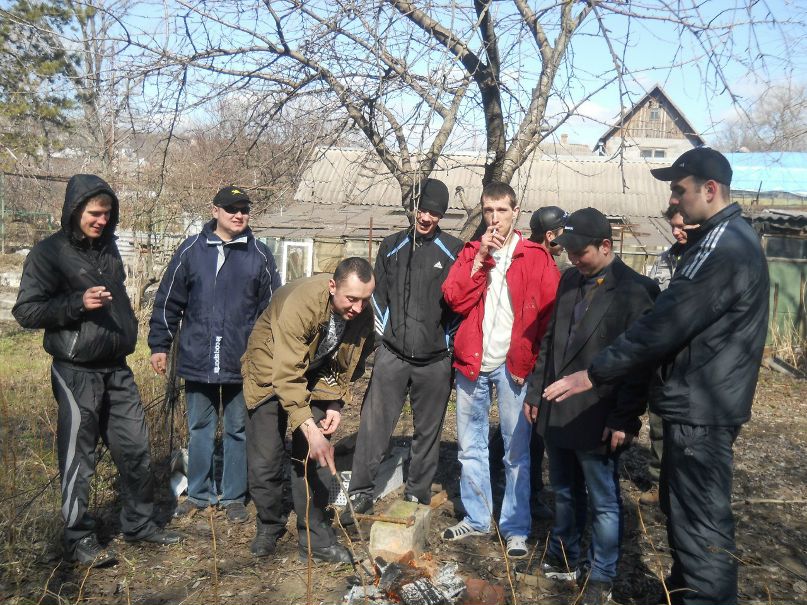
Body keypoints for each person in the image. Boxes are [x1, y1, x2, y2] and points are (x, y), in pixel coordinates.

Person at [543, 147, 769, 605]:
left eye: (679, 191)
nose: (673, 203)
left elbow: (663, 324)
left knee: (701, 528)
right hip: (694, 408)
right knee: (685, 521)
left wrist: (595, 373)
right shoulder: (718, 241)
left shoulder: (725, 249)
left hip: (701, 413)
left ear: (710, 190)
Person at [12, 174, 182, 568]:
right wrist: (76, 303)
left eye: (107, 214)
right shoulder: (48, 254)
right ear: (74, 211)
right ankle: (78, 539)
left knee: (136, 449)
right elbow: (26, 311)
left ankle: (139, 525)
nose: (101, 220)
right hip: (76, 371)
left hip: (116, 368)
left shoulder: (108, 249)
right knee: (78, 457)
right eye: (94, 213)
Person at [523, 208, 659, 605]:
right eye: (568, 251)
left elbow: (639, 365)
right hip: (558, 409)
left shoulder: (636, 291)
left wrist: (624, 418)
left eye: (581, 252)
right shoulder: (568, 280)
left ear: (605, 245)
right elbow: (550, 342)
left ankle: (602, 574)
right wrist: (535, 393)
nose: (573, 259)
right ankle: (565, 555)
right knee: (563, 490)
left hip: (600, 413)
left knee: (603, 499)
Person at [148, 186, 281, 524]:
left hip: (243, 362)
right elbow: (168, 301)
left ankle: (234, 496)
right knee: (201, 427)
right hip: (198, 358)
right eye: (231, 208)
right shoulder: (191, 251)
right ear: (215, 211)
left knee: (238, 429)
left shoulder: (260, 255)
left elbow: (273, 311)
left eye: (244, 209)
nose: (239, 215)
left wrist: (269, 356)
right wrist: (160, 345)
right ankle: (198, 494)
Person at [441, 182, 559, 558]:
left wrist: (534, 364)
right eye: (488, 211)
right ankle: (476, 518)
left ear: (516, 211)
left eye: (501, 211)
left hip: (515, 367)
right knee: (470, 446)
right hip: (473, 363)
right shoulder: (473, 251)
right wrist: (479, 262)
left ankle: (515, 528)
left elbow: (548, 318)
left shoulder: (536, 257)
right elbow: (455, 299)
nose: (494, 219)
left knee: (516, 450)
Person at [340, 179, 462, 524]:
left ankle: (416, 493)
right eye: (422, 209)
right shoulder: (392, 246)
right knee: (374, 425)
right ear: (414, 208)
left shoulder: (454, 250)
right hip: (393, 354)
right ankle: (361, 491)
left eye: (434, 212)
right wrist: (383, 339)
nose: (426, 217)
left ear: (442, 214)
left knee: (428, 431)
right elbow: (376, 297)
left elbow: (462, 303)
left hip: (435, 360)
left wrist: (448, 346)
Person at [241, 258, 375, 563]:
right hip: (269, 367)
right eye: (351, 299)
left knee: (316, 455)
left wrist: (334, 403)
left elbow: (347, 364)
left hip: (314, 370)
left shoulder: (362, 314)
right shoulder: (301, 305)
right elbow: (286, 374)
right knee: (266, 456)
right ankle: (269, 525)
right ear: (332, 286)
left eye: (364, 300)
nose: (357, 307)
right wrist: (309, 428)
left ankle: (314, 539)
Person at [640, 205, 700, 506]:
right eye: (674, 227)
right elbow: (652, 299)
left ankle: (685, 488)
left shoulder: (708, 259)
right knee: (659, 423)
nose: (677, 232)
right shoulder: (666, 259)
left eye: (682, 227)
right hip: (665, 358)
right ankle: (658, 482)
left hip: (698, 362)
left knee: (692, 432)